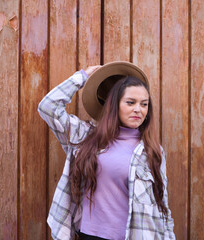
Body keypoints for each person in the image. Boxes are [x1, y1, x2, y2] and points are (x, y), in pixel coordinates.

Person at [38, 62, 175, 240]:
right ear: (114, 105)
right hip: (90, 235)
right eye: (130, 102)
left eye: (144, 104)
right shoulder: (86, 137)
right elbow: (48, 107)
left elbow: (161, 204)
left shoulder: (151, 151)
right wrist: (82, 77)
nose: (138, 110)